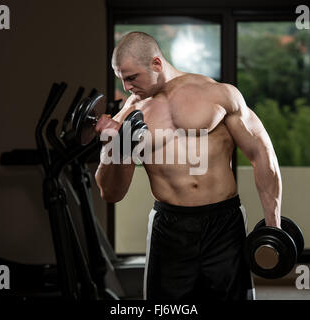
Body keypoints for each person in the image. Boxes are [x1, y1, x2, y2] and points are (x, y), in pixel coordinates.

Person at [94, 31, 282, 301]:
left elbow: (262, 154)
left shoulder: (219, 95)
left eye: (132, 77)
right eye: (121, 79)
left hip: (224, 224)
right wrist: (117, 146)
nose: (126, 87)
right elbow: (110, 193)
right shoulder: (130, 116)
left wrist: (273, 227)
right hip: (170, 227)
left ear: (156, 63)